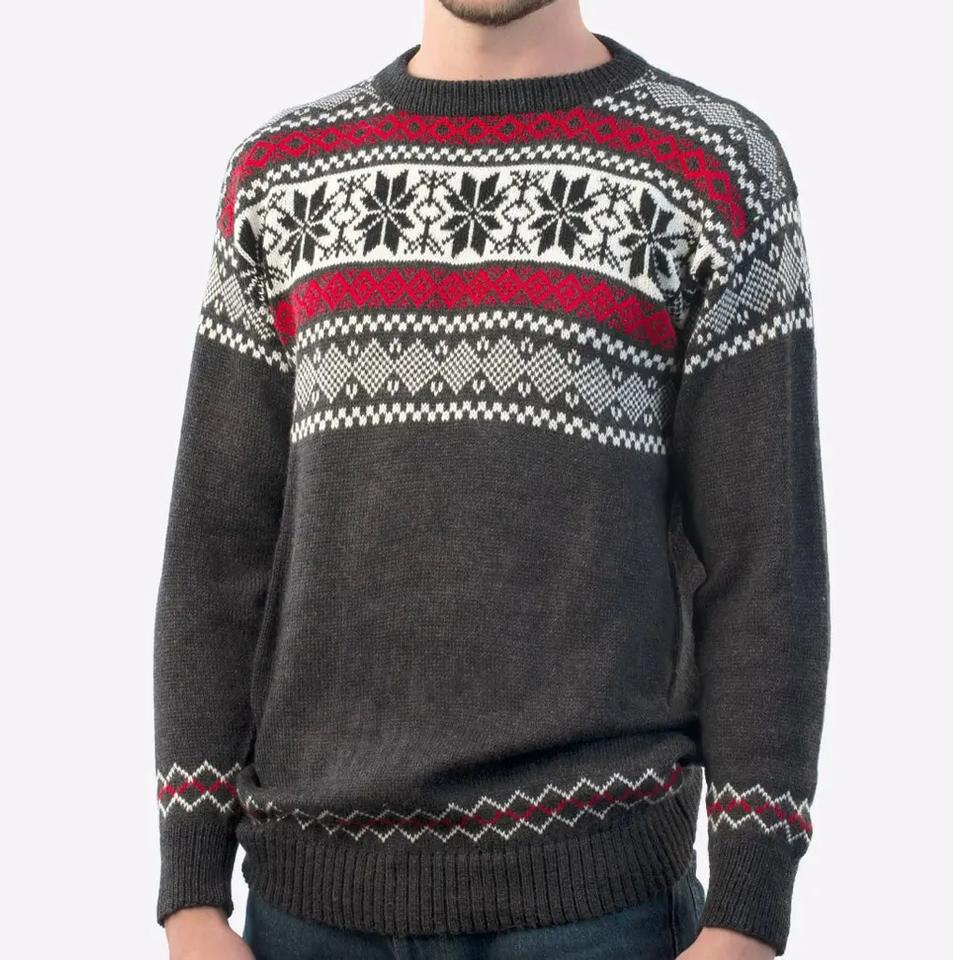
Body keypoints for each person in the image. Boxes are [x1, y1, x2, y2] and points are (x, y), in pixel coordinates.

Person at [153, 1, 830, 957]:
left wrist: (749, 915)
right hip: (306, 905)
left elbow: (766, 564)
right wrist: (190, 893)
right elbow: (217, 548)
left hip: (596, 903)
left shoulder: (714, 169)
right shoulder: (281, 176)